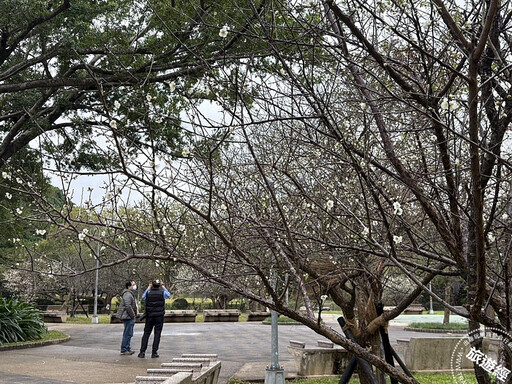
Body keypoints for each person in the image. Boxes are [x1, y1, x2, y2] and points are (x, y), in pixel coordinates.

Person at [138, 279, 171, 358]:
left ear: (152, 285)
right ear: (159, 285)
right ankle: (154, 352)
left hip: (149, 316)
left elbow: (143, 297)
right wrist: (164, 287)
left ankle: (142, 352)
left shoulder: (148, 293)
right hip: (159, 316)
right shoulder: (162, 293)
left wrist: (148, 288)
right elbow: (168, 295)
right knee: (157, 334)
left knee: (146, 333)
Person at [117, 280, 138, 355]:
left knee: (129, 333)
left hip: (128, 316)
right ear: (129, 286)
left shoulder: (129, 294)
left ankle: (127, 347)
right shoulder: (127, 294)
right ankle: (124, 348)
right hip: (128, 316)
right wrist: (132, 315)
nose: (135, 286)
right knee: (127, 333)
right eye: (133, 285)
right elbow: (128, 305)